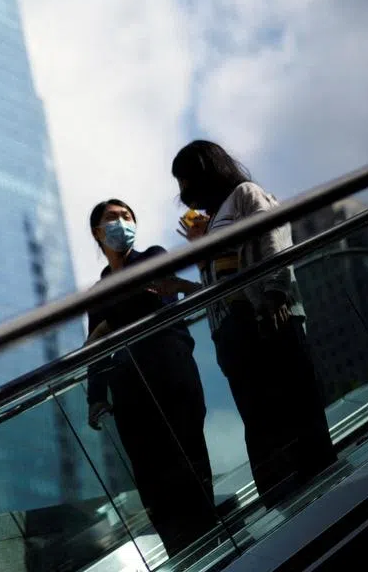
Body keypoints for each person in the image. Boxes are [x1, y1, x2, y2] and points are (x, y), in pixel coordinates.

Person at [171, 140, 336, 506]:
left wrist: (276, 293)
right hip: (233, 337)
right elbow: (221, 287)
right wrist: (198, 259)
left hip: (266, 318)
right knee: (261, 426)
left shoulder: (244, 195)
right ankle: (286, 506)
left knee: (296, 413)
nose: (182, 192)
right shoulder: (210, 225)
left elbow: (273, 235)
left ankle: (324, 494)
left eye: (184, 179)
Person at [84, 199, 218, 556]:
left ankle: (214, 551)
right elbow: (92, 349)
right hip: (129, 393)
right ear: (97, 233)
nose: (121, 223)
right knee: (152, 484)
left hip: (170, 375)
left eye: (127, 217)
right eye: (112, 218)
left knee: (188, 467)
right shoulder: (97, 291)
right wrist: (95, 395)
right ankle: (184, 556)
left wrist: (109, 325)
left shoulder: (154, 256)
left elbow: (153, 303)